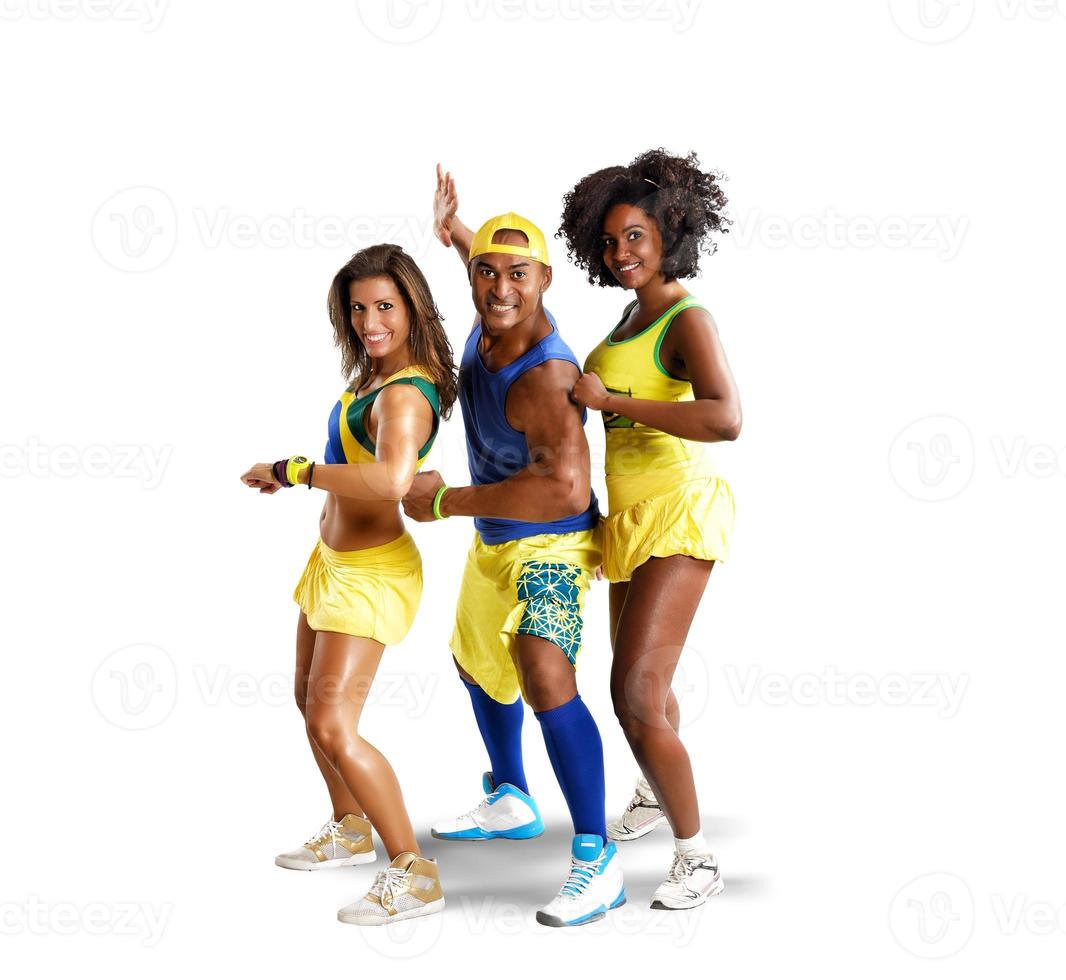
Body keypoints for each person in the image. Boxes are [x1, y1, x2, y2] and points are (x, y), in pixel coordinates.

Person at [400, 166, 623, 929]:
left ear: (545, 282)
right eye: (485, 272)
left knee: (542, 668)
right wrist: (451, 229)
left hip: (554, 542)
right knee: (472, 660)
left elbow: (562, 492)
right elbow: (482, 259)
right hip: (497, 538)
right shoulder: (490, 307)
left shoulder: (549, 376)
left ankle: (597, 859)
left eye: (516, 276)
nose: (498, 289)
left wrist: (446, 501)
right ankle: (511, 798)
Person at [239, 243, 457, 926]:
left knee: (334, 723)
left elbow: (393, 479)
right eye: (358, 308)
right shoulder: (372, 375)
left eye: (385, 307)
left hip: (371, 573)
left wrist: (296, 470)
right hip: (331, 562)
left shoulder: (403, 392)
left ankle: (412, 870)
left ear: (412, 308)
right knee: (309, 703)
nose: (369, 321)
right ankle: (351, 825)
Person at [558, 148, 742, 910]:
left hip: (676, 511)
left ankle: (696, 857)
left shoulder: (684, 315)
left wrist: (613, 405)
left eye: (634, 236)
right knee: (647, 688)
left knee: (632, 690)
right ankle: (654, 788)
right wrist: (464, 238)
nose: (620, 252)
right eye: (607, 242)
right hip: (627, 522)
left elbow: (725, 417)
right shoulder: (630, 314)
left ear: (669, 232)